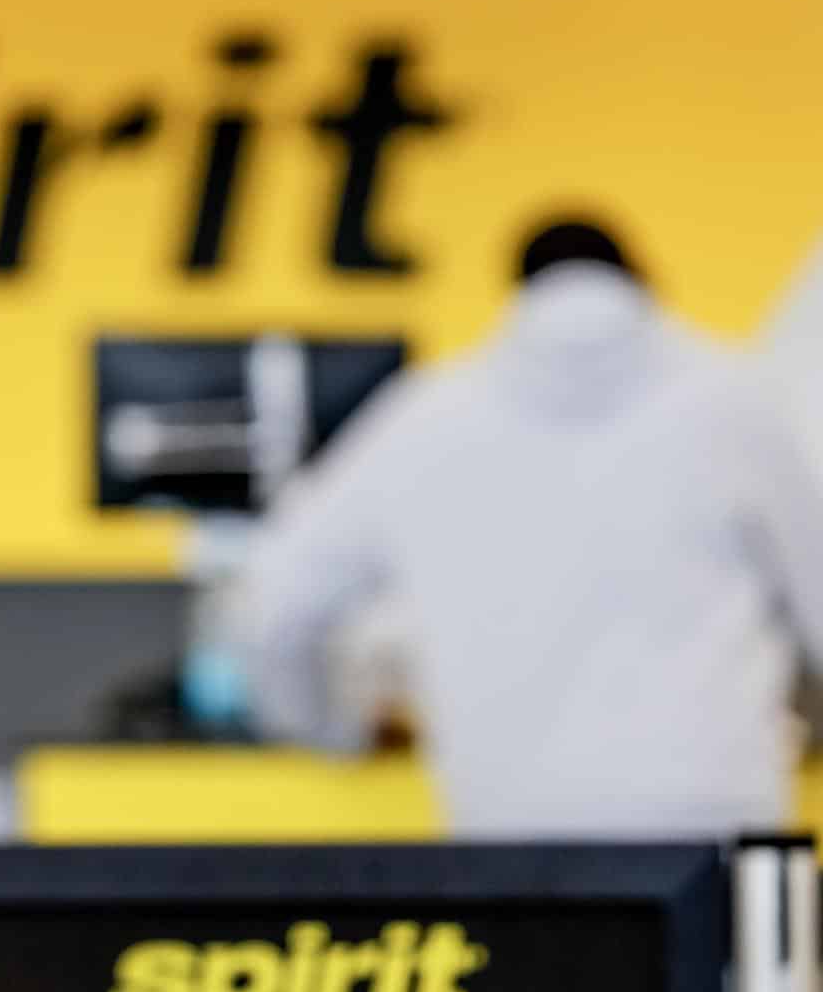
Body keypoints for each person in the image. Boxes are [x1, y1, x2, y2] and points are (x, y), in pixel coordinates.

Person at [235, 220, 823, 837]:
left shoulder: (427, 416)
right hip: (711, 815)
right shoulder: (738, 404)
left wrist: (331, 728)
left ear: (517, 291)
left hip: (511, 827)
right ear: (643, 279)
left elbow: (273, 602)